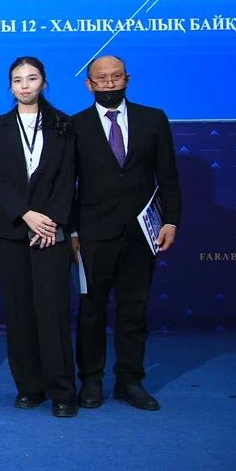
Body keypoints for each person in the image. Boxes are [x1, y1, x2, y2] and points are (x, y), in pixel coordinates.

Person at [71, 55, 181, 411]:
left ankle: (129, 381)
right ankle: (91, 380)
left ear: (127, 79)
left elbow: (168, 176)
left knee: (134, 310)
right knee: (91, 310)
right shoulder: (74, 125)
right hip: (92, 234)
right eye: (101, 79)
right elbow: (67, 185)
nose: (109, 83)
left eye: (116, 77)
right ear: (89, 84)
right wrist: (72, 232)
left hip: (141, 234)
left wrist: (170, 221)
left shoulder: (154, 119)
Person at [0, 57, 78, 418]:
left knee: (53, 310)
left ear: (44, 82)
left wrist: (49, 222)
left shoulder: (64, 124)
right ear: (10, 86)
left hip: (50, 230)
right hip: (10, 229)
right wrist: (25, 214)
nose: (25, 85)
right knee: (19, 310)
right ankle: (29, 386)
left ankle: (62, 391)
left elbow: (68, 178)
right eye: (18, 80)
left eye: (32, 78)